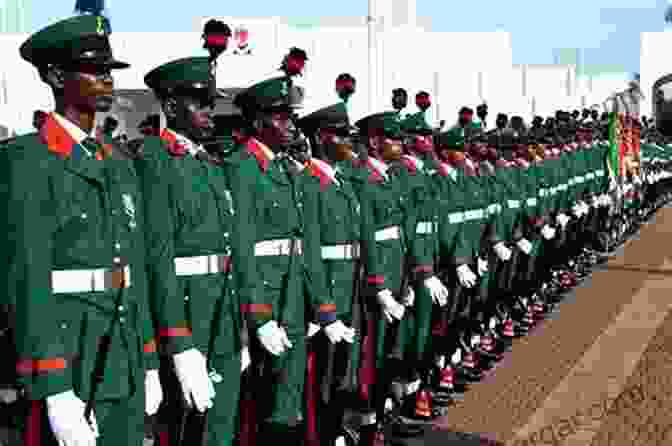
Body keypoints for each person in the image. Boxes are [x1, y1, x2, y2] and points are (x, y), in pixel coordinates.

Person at [5, 15, 159, 446]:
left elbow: (135, 266)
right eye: (95, 70)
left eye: (109, 70)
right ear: (55, 76)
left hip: (122, 350)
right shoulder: (27, 161)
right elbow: (27, 279)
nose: (107, 80)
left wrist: (148, 360)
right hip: (72, 354)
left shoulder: (118, 160)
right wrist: (54, 387)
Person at [137, 56, 259, 446]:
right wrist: (178, 341)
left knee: (221, 421)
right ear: (171, 107)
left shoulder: (208, 163)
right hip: (187, 310)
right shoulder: (154, 160)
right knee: (183, 423)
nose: (210, 111)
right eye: (200, 102)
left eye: (211, 102)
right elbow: (158, 257)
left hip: (220, 307)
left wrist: (239, 326)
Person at [232, 75, 318, 444]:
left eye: (290, 117)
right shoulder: (242, 168)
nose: (290, 125)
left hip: (291, 297)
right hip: (264, 301)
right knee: (259, 399)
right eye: (280, 117)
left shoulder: (283, 168)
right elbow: (242, 247)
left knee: (288, 399)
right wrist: (260, 316)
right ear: (257, 123)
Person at [296, 101, 362, 446]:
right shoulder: (309, 183)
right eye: (342, 136)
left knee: (339, 376)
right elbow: (309, 253)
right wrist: (321, 306)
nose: (350, 141)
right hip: (324, 298)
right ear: (322, 138)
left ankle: (334, 432)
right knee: (319, 380)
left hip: (345, 292)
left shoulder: (340, 183)